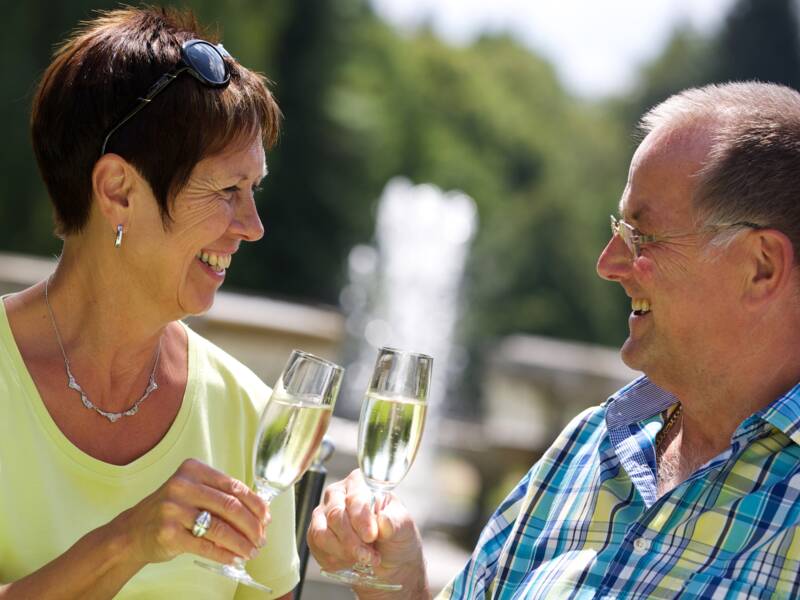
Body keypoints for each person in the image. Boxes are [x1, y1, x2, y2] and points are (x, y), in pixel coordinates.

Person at [308, 81, 800, 598]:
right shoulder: (591, 443)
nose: (608, 264)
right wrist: (397, 585)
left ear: (761, 267)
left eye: (643, 235)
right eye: (618, 228)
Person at [0, 7, 297, 599]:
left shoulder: (252, 416)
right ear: (118, 191)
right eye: (227, 191)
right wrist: (129, 541)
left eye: (254, 190)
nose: (253, 226)